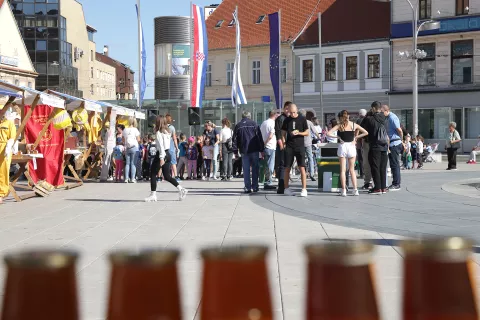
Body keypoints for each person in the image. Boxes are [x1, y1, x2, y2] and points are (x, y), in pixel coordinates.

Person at [145, 115, 187, 202]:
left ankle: (153, 194)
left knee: (153, 173)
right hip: (168, 154)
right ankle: (181, 189)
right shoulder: (167, 132)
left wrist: (161, 158)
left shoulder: (158, 133)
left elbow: (161, 146)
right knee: (167, 176)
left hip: (161, 154)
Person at [327, 110, 368, 197]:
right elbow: (365, 132)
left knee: (342, 170)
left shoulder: (340, 125)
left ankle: (344, 190)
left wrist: (337, 136)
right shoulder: (353, 125)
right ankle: (355, 190)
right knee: (352, 170)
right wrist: (356, 137)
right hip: (351, 146)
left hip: (342, 146)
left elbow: (328, 133)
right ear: (348, 116)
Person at [281, 103, 309, 197]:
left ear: (296, 110)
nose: (292, 114)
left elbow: (307, 132)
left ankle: (304, 189)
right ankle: (286, 188)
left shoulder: (302, 119)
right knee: (287, 168)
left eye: (293, 112)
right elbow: (283, 133)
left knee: (302, 167)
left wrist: (299, 133)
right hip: (289, 146)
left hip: (300, 146)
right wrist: (284, 142)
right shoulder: (287, 120)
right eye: (290, 112)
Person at [233, 111, 265, 193]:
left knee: (246, 169)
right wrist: (261, 150)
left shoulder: (238, 125)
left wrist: (235, 152)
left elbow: (235, 140)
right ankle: (255, 186)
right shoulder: (254, 124)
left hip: (244, 150)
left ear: (242, 116)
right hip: (254, 150)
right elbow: (259, 138)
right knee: (255, 168)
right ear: (250, 116)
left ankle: (247, 187)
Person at [361, 102, 389, 195]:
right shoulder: (385, 118)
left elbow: (364, 130)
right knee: (382, 167)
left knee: (375, 167)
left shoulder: (370, 119)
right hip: (384, 146)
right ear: (380, 108)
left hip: (374, 145)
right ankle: (383, 187)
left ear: (373, 108)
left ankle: (377, 188)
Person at [382, 104, 403, 191]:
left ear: (387, 111)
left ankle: (396, 184)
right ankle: (395, 183)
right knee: (393, 164)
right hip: (391, 143)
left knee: (395, 164)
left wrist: (401, 140)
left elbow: (399, 130)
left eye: (382, 112)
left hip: (395, 143)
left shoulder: (392, 117)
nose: (382, 114)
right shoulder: (387, 118)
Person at [275, 101, 291, 194]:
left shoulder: (287, 118)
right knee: (283, 165)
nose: (289, 111)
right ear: (285, 108)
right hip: (283, 145)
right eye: (288, 109)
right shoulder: (281, 119)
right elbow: (279, 133)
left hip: (287, 145)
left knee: (285, 166)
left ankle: (284, 186)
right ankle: (281, 187)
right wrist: (281, 144)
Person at [299, 109, 318, 182]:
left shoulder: (298, 122)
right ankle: (312, 174)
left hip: (300, 143)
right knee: (310, 158)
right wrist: (319, 137)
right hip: (308, 143)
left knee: (301, 159)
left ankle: (302, 173)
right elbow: (315, 132)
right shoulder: (309, 122)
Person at [260, 110, 277, 189]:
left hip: (265, 147)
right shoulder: (273, 123)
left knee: (266, 165)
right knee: (270, 165)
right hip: (270, 146)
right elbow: (270, 136)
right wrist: (265, 143)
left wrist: (262, 144)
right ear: (274, 115)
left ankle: (266, 182)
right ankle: (268, 183)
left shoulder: (264, 123)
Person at [122, 117, 141, 183]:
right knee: (133, 164)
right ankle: (133, 178)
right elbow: (138, 140)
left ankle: (126, 178)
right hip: (134, 148)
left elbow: (123, 139)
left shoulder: (125, 130)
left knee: (127, 164)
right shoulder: (135, 130)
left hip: (127, 148)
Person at [165, 114, 179, 181]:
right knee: (173, 162)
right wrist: (177, 147)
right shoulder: (172, 127)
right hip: (171, 147)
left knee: (163, 162)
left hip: (164, 147)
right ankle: (176, 176)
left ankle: (159, 177)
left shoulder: (162, 127)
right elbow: (174, 138)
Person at [356, 109, 367, 179]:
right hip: (367, 140)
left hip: (360, 141)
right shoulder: (368, 119)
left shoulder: (358, 120)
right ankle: (367, 173)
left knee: (360, 158)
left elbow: (356, 130)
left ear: (359, 114)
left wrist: (356, 138)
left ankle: (362, 174)